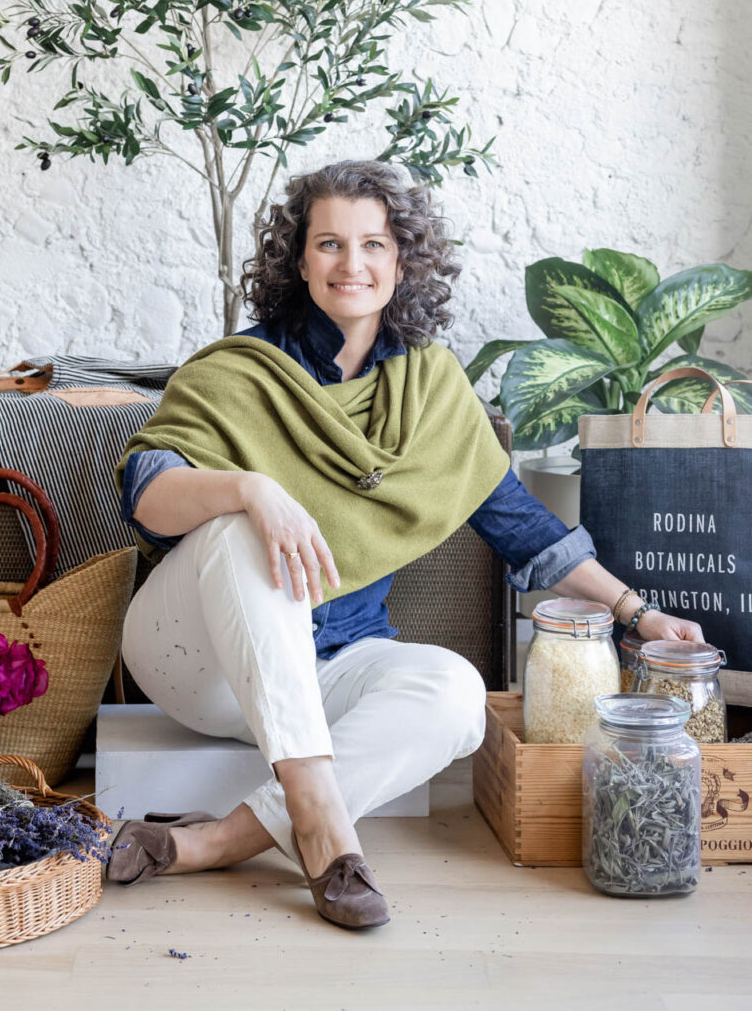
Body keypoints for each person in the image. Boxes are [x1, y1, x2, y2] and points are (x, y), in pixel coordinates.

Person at [107, 161, 703, 929]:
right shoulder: (238, 371)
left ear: (402, 261)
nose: (350, 265)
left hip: (335, 660)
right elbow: (146, 495)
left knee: (455, 694)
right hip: (199, 661)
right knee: (239, 528)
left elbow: (516, 521)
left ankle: (212, 843)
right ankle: (321, 829)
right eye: (327, 243)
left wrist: (636, 614)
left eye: (372, 245)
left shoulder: (431, 389)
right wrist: (251, 490)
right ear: (297, 260)